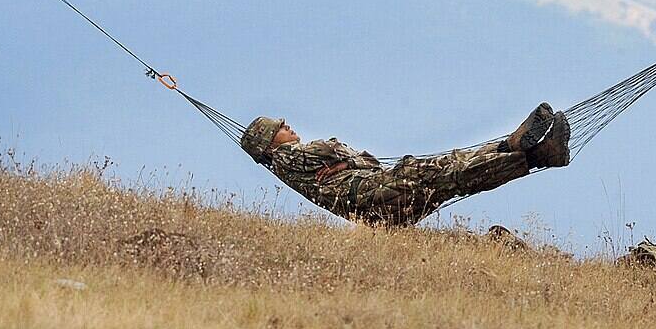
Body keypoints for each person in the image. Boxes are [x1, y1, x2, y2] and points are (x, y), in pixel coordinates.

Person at [239, 103, 571, 226]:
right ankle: (532, 154)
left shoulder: (286, 162)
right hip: (377, 195)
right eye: (281, 128)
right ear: (269, 143)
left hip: (378, 198)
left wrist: (348, 162)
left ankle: (516, 149)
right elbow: (330, 149)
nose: (289, 128)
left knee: (450, 172)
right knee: (449, 172)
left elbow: (345, 159)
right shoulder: (285, 157)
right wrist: (345, 157)